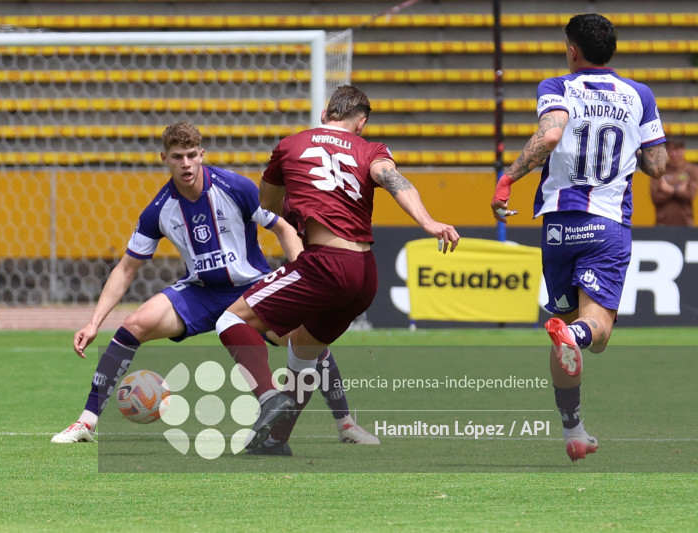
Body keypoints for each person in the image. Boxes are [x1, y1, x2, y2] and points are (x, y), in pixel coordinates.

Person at [52, 122, 380, 446]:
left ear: (202, 155)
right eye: (178, 157)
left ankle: (346, 424)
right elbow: (125, 269)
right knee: (135, 323)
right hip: (200, 292)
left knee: (306, 338)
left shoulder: (235, 187)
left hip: (250, 286)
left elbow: (283, 228)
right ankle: (86, 422)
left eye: (192, 155)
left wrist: (301, 275)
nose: (185, 164)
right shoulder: (158, 209)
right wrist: (94, 322)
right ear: (163, 158)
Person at [216, 85, 460, 455]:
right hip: (364, 275)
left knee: (230, 322)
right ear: (360, 124)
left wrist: (297, 205)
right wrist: (427, 221)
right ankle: (277, 439)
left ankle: (267, 398)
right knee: (303, 354)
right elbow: (394, 180)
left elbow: (267, 202)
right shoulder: (371, 150)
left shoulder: (291, 144)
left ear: (324, 114)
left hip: (326, 264)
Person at [490, 14, 667, 462]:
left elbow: (550, 134)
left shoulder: (556, 86)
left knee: (569, 330)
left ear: (572, 50)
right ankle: (577, 337)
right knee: (597, 331)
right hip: (607, 223)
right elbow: (658, 165)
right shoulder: (638, 95)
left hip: (557, 224)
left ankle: (575, 431)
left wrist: (508, 177)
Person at [650, 137, 698, 226]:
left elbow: (691, 195)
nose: (673, 154)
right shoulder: (659, 170)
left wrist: (669, 190)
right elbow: (655, 198)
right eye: (670, 150)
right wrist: (679, 190)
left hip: (686, 223)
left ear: (683, 150)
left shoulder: (692, 169)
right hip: (662, 224)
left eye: (677, 149)